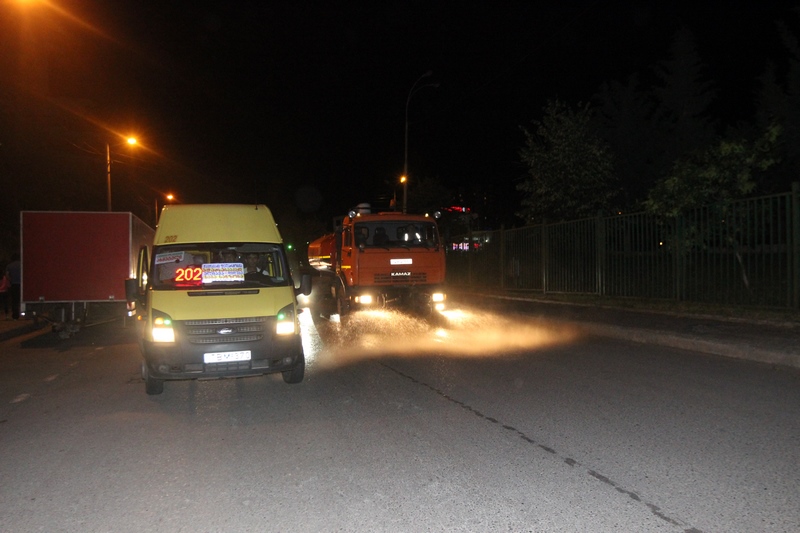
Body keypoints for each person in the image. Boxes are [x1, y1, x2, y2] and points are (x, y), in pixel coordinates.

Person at [6, 253, 21, 320]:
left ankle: (15, 315)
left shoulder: (9, 266)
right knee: (22, 299)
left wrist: (11, 280)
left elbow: (7, 275)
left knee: (14, 300)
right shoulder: (21, 264)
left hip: (14, 284)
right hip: (22, 284)